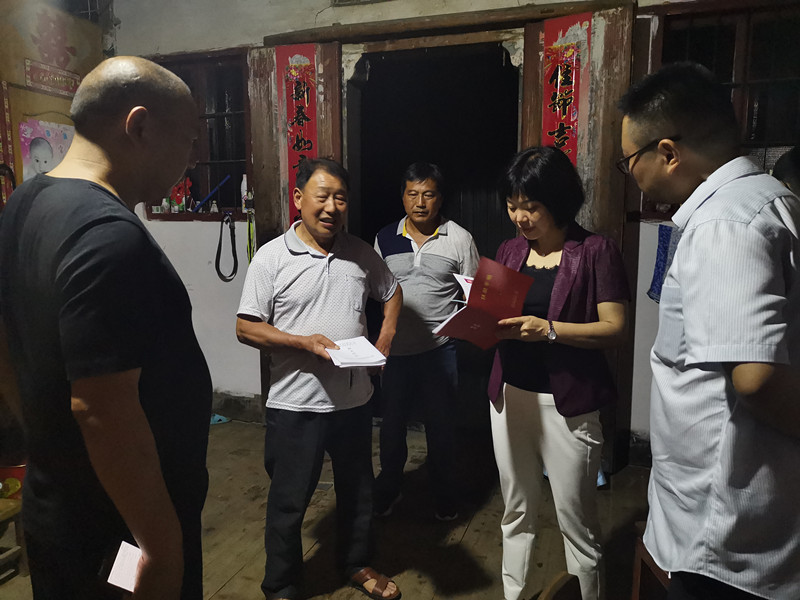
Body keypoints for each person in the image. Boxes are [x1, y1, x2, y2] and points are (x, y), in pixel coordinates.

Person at [0, 56, 211, 599]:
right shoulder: (108, 236)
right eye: (188, 139)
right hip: (117, 533)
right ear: (139, 126)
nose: (192, 158)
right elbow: (100, 410)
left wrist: (44, 441)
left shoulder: (24, 203)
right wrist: (159, 546)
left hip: (59, 505)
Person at [619, 62, 800, 600]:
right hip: (744, 509)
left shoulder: (726, 223)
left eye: (630, 160)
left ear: (668, 153)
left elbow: (756, 378)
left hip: (722, 530)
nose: (631, 173)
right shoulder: (770, 199)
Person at [236, 157, 403, 600]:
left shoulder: (360, 253)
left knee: (358, 491)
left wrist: (385, 337)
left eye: (341, 198)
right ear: (299, 198)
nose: (332, 207)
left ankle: (357, 562)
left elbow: (392, 292)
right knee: (289, 501)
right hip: (296, 404)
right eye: (322, 196)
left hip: (353, 401)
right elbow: (246, 328)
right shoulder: (272, 257)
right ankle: (282, 584)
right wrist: (302, 342)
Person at [487, 146, 630, 600]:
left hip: (567, 403)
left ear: (559, 201)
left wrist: (549, 330)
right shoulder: (510, 250)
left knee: (577, 521)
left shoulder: (595, 251)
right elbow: (496, 316)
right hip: (509, 396)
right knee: (516, 510)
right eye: (512, 205)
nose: (520, 217)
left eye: (531, 206)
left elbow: (615, 328)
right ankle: (514, 595)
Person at [372, 162, 479, 521]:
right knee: (391, 427)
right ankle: (389, 487)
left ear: (440, 198)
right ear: (403, 197)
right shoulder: (384, 237)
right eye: (413, 194)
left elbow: (474, 296)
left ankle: (445, 493)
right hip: (395, 352)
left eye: (428, 194)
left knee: (441, 427)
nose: (420, 203)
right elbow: (376, 291)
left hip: (440, 351)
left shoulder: (460, 238)